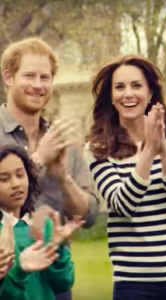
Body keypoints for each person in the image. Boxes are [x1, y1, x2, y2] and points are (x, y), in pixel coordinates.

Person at [84, 54, 166, 300]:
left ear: (150, 93)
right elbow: (123, 205)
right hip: (133, 284)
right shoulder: (98, 148)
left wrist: (163, 150)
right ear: (111, 97)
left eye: (136, 85)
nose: (128, 94)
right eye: (120, 87)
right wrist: (149, 152)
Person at [0, 37, 100, 300]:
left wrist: (63, 179)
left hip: (57, 278)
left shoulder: (66, 140)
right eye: (29, 75)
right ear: (8, 77)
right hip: (6, 279)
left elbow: (87, 216)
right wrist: (38, 159)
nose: (38, 85)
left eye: (45, 78)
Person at [0, 144, 82, 300]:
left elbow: (63, 283)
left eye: (20, 174)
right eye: (4, 179)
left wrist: (58, 249)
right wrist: (20, 269)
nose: (15, 184)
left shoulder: (43, 224)